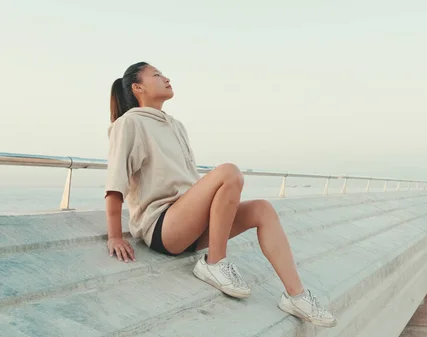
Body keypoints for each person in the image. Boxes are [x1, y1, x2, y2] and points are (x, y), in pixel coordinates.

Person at [104, 61, 336, 328]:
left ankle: (297, 295)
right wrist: (114, 235)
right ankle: (214, 263)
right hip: (163, 226)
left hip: (189, 224)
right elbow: (115, 182)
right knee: (229, 172)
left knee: (262, 209)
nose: (166, 78)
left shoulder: (176, 125)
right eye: (157, 75)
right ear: (138, 87)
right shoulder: (129, 123)